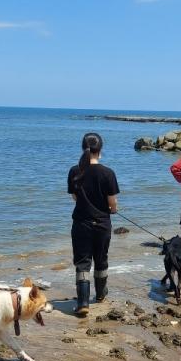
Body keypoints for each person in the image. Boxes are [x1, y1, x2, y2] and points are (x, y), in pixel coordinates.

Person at [68, 132, 119, 317]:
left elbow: (74, 196)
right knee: (101, 258)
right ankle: (100, 295)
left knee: (82, 262)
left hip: (81, 223)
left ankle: (82, 302)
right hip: (102, 224)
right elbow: (112, 202)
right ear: (101, 149)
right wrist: (112, 209)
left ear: (83, 148)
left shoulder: (75, 170)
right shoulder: (108, 173)